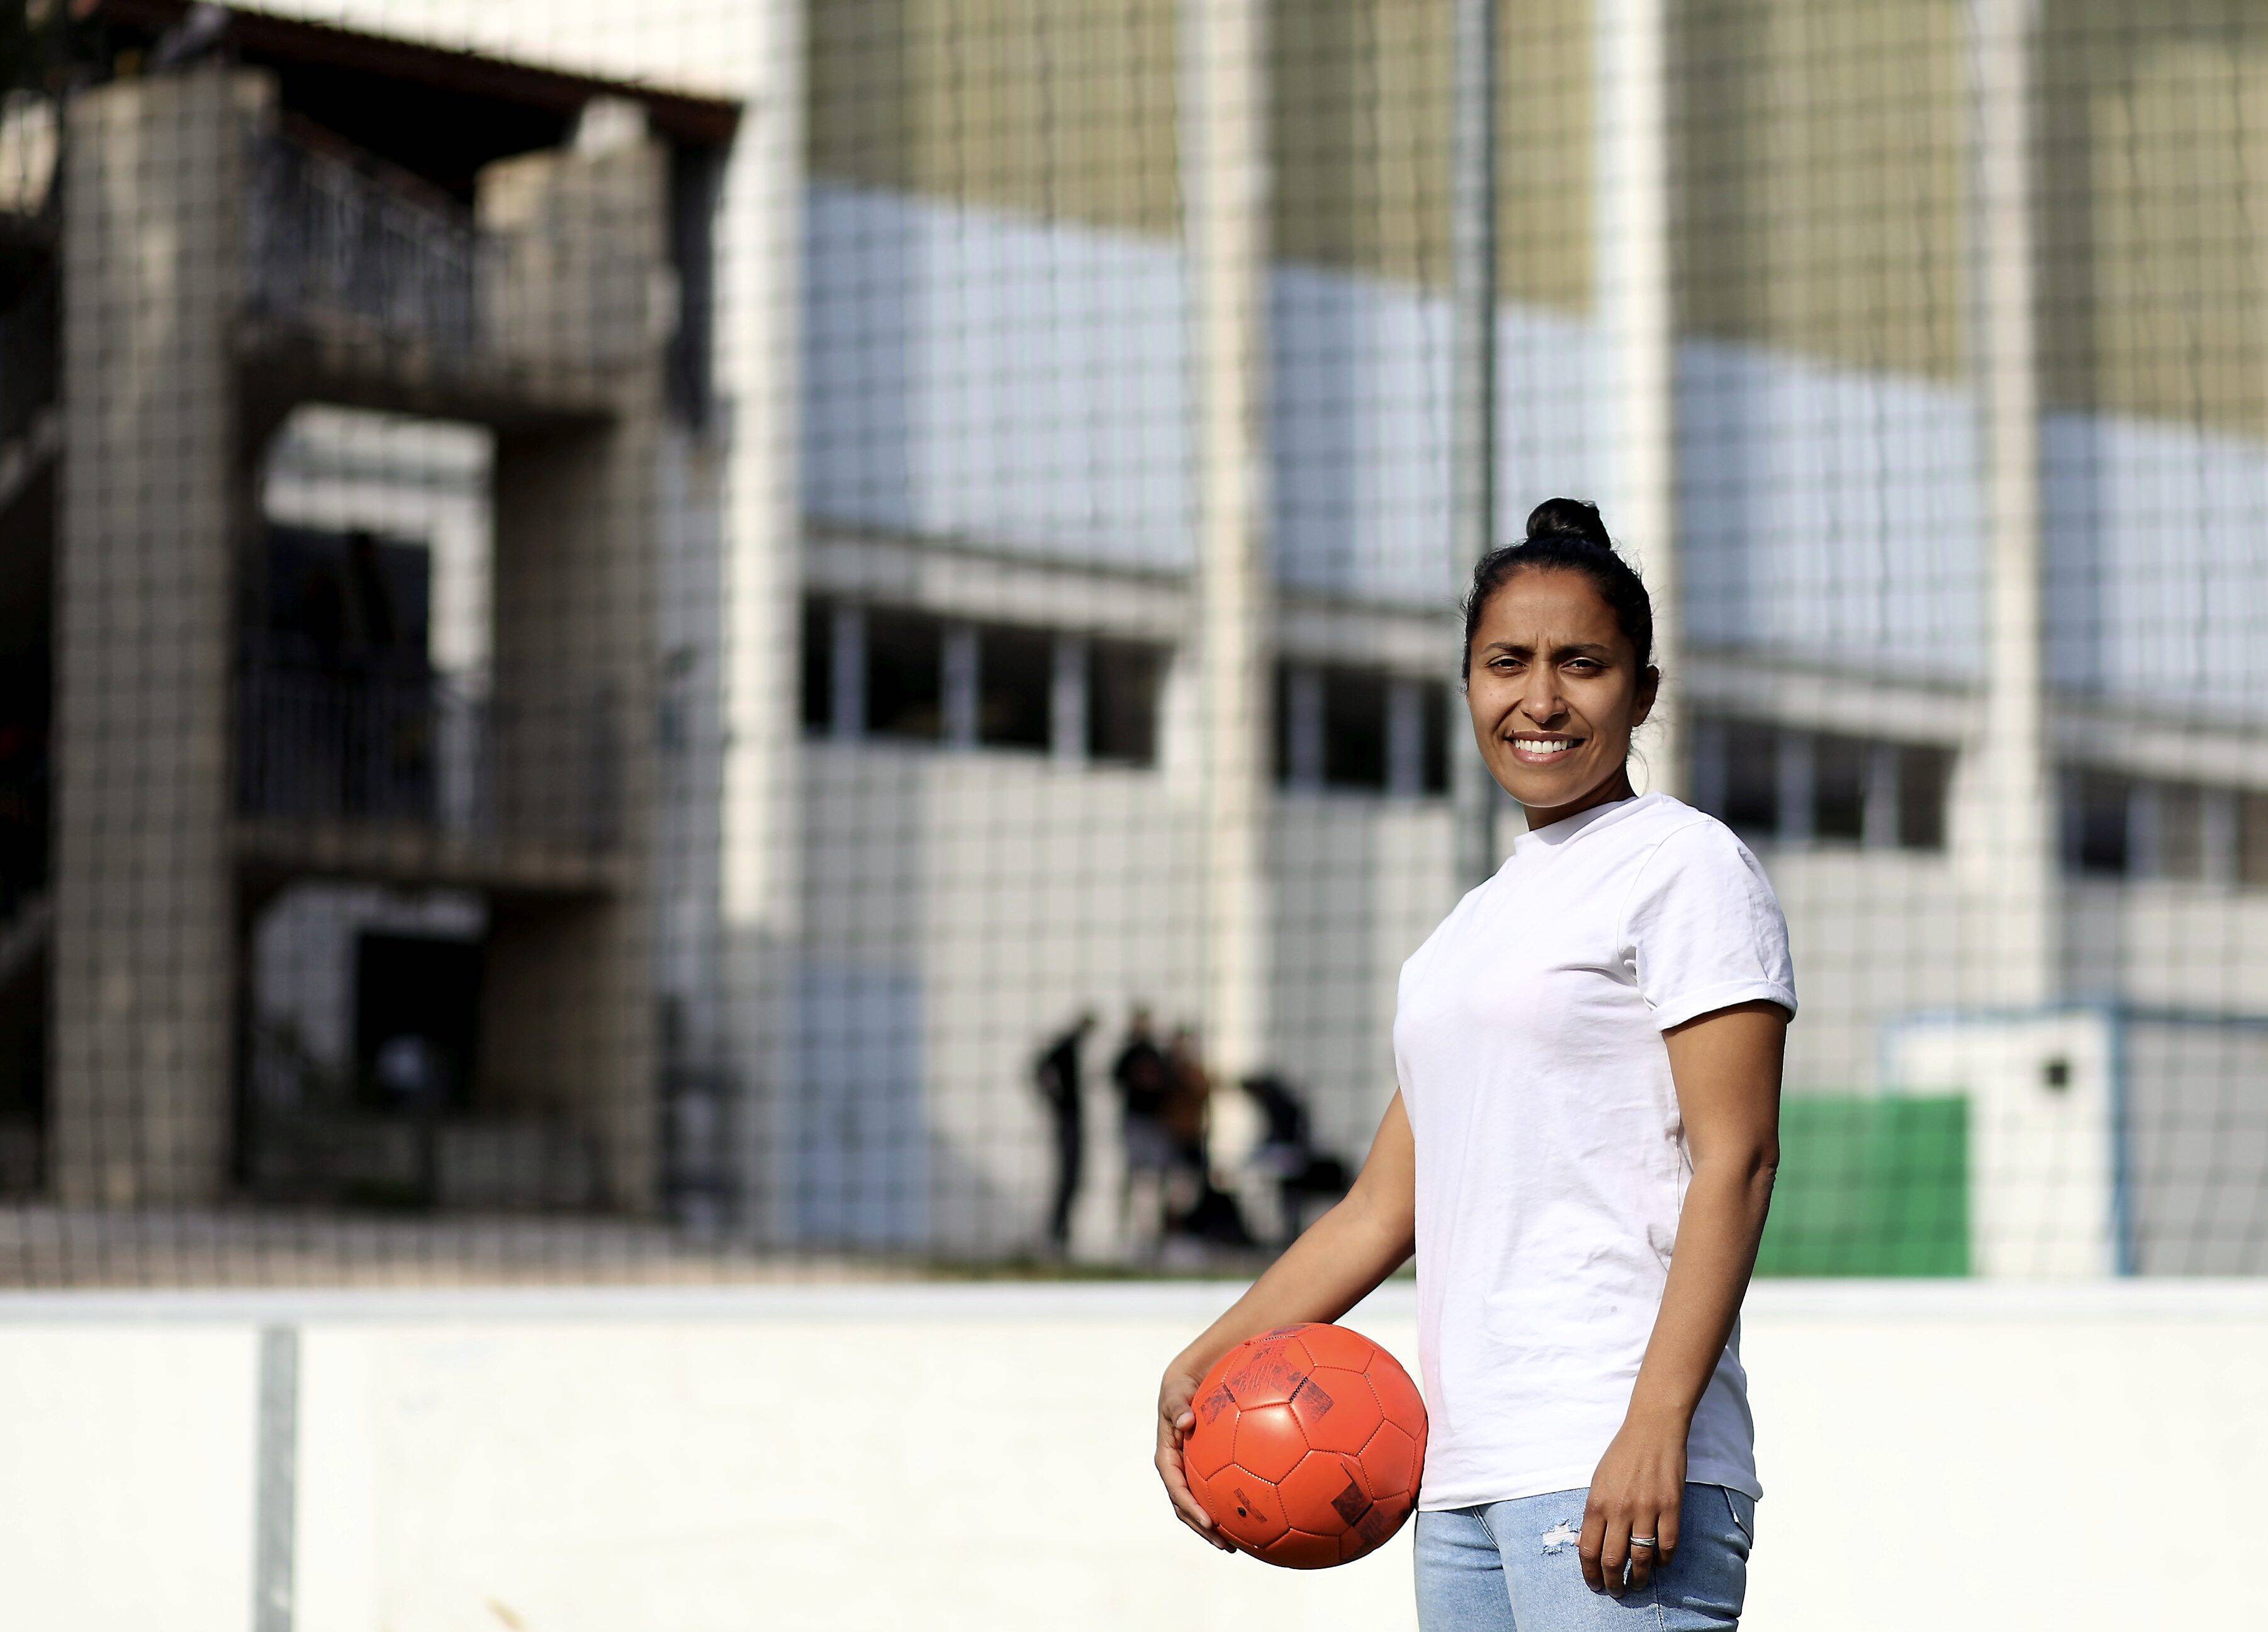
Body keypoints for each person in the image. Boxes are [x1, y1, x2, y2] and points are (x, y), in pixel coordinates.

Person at [1152, 498, 1795, 1630]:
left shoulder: (1683, 864)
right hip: (1456, 1473)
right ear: (1466, 688)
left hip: (1612, 1447)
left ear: (1640, 692)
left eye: (1580, 665)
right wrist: (1209, 1355)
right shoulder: (1466, 932)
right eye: (1506, 663)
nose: (1539, 699)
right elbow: (1375, 1208)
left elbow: (1734, 1159)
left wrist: (1654, 1420)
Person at [1031, 1011, 1096, 1253]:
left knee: (1074, 1178)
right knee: (1068, 1177)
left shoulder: (1074, 1047)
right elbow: (1039, 1070)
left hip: (1073, 1119)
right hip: (1068, 1120)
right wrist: (1056, 1101)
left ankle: (1061, 1230)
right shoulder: (1068, 1045)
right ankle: (1056, 1232)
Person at [1111, 1007, 1175, 1253]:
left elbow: (1167, 1083)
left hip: (1155, 1124)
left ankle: (1154, 1233)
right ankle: (1125, 1233)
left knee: (1158, 1179)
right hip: (1135, 1122)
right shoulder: (1128, 1053)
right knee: (1132, 1177)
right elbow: (1115, 1079)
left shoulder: (1156, 1053)